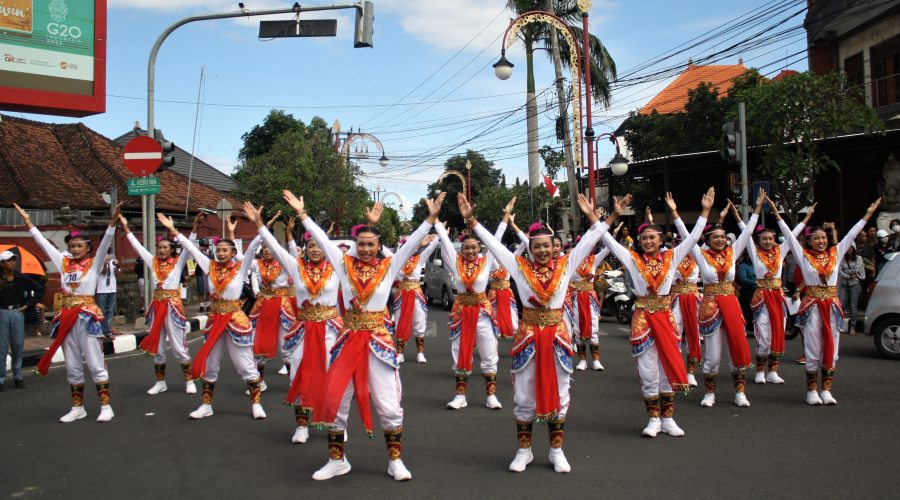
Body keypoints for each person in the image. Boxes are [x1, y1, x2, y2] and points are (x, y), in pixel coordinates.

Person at [284, 190, 444, 482]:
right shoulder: (343, 265)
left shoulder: (389, 266)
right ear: (354, 246)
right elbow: (320, 238)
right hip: (347, 340)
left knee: (388, 404)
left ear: (380, 247)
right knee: (334, 400)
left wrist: (431, 219)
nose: (366, 249)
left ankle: (395, 461)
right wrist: (302, 215)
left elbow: (409, 247)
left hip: (378, 343)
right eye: (361, 244)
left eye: (371, 245)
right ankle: (337, 460)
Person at [466, 192, 606, 474]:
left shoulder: (567, 264)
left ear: (554, 248)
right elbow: (493, 245)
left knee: (561, 392)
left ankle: (556, 451)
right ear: (529, 249)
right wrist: (471, 220)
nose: (542, 251)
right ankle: (524, 451)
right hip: (528, 338)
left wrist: (594, 217)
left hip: (557, 338)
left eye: (546, 246)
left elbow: (592, 239)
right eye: (537, 247)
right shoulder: (518, 267)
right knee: (524, 397)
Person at [605, 190, 712, 437]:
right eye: (644, 238)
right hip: (642, 319)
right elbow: (607, 241)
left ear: (660, 240)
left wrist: (704, 211)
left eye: (652, 238)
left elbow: (693, 237)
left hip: (665, 316)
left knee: (666, 369)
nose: (648, 242)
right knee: (648, 371)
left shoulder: (672, 257)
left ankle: (668, 418)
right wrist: (612, 215)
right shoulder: (632, 258)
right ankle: (653, 419)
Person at [251, 206, 350, 446]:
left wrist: (304, 216)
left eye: (319, 245)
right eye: (311, 246)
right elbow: (275, 248)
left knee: (332, 375)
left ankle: (336, 422)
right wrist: (259, 225)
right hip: (302, 330)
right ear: (304, 250)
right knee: (298, 374)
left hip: (329, 329)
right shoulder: (295, 267)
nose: (315, 249)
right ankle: (301, 426)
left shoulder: (338, 269)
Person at [15, 202, 122, 422]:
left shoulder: (94, 264)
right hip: (65, 317)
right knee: (72, 365)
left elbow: (105, 244)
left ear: (88, 249)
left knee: (94, 362)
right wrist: (28, 223)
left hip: (86, 317)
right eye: (71, 246)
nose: (74, 250)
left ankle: (105, 406)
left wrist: (112, 223)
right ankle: (78, 407)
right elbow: (44, 244)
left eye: (79, 246)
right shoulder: (63, 263)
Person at [773, 194, 881, 405]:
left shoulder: (836, 252)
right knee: (813, 347)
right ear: (808, 241)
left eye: (824, 237)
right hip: (812, 306)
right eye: (817, 238)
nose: (821, 241)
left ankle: (826, 390)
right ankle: (811, 391)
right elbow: (787, 233)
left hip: (832, 306)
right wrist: (776, 214)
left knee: (832, 348)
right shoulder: (803, 256)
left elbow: (853, 233)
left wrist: (869, 213)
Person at [162, 214, 267, 420]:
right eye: (217, 250)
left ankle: (256, 404)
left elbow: (255, 245)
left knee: (244, 363)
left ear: (234, 252)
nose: (220, 253)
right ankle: (206, 405)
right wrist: (174, 231)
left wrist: (259, 225)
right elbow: (190, 248)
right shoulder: (209, 266)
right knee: (210, 364)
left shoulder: (240, 267)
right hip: (214, 319)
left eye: (224, 250)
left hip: (235, 319)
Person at [436, 198, 516, 411]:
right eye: (466, 248)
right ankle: (460, 396)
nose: (470, 251)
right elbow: (444, 241)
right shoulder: (455, 262)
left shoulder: (487, 261)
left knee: (489, 354)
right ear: (461, 250)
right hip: (461, 312)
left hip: (482, 312)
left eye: (474, 248)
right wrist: (434, 219)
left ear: (480, 248)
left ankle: (491, 396)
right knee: (459, 351)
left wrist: (506, 217)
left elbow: (496, 240)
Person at [675, 199, 755, 408]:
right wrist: (676, 213)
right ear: (708, 240)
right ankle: (710, 393)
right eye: (715, 237)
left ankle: (740, 393)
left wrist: (745, 215)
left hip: (731, 305)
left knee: (736, 348)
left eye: (722, 237)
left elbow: (747, 234)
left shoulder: (732, 253)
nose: (720, 240)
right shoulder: (700, 255)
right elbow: (687, 236)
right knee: (712, 354)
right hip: (710, 308)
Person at [121, 212, 203, 396]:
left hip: (172, 308)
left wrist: (195, 227)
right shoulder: (152, 261)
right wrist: (126, 228)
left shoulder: (177, 262)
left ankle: (189, 380)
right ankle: (160, 382)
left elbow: (188, 247)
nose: (161, 250)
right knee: (158, 348)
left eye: (165, 247)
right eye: (159, 247)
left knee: (179, 346)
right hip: (156, 306)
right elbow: (137, 246)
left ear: (172, 250)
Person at [735, 193, 812, 385]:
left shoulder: (781, 250)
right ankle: (760, 370)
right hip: (761, 296)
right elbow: (745, 232)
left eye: (770, 239)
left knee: (778, 332)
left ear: (774, 240)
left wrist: (782, 214)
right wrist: (740, 215)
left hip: (777, 296)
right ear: (759, 241)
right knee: (764, 335)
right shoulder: (754, 252)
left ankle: (773, 371)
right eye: (764, 239)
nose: (767, 242)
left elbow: (792, 234)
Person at [246, 211, 295, 392]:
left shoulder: (284, 264)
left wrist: (289, 236)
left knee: (285, 345)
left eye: (270, 248)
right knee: (258, 343)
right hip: (262, 306)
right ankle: (260, 381)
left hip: (281, 305)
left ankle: (293, 382)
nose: (267, 250)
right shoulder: (256, 264)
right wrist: (261, 230)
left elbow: (293, 255)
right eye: (264, 247)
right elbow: (245, 255)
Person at [391, 232, 438, 364]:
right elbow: (382, 250)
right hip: (402, 295)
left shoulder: (419, 260)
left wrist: (440, 235)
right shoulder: (396, 260)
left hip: (416, 295)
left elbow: (430, 248)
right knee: (400, 322)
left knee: (419, 322)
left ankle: (420, 353)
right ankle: (399, 353)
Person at [0, 251, 44, 391]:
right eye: (9, 260)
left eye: (14, 260)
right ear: (2, 263)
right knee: (1, 348)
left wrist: (28, 305)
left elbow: (39, 290)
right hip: (1, 312)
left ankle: (18, 377)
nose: (12, 263)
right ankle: (1, 379)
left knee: (18, 346)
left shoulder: (21, 277)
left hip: (18, 312)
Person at [569, 231, 610, 372]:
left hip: (590, 299)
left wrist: (608, 233)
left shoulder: (594, 260)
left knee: (593, 327)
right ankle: (582, 360)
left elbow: (608, 248)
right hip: (575, 299)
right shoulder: (569, 261)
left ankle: (596, 360)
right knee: (578, 328)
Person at [489, 215, 529, 342]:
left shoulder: (509, 260)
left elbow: (520, 250)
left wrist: (525, 238)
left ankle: (515, 336)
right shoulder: (490, 262)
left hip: (506, 292)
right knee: (493, 316)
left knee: (512, 315)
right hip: (494, 293)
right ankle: (492, 336)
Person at [838, 245, 864, 336]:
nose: (848, 249)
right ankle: (840, 325)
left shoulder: (858, 258)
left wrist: (846, 271)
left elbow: (856, 270)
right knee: (841, 305)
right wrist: (848, 276)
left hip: (855, 284)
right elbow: (839, 271)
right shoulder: (843, 258)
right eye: (847, 247)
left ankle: (853, 327)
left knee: (853, 306)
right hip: (845, 284)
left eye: (850, 247)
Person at [96, 248, 121, 339]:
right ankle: (102, 331)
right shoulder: (98, 259)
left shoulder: (113, 260)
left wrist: (117, 265)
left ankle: (109, 331)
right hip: (102, 289)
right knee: (102, 311)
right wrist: (105, 263)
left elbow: (118, 274)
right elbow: (103, 272)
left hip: (112, 288)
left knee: (110, 311)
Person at [195, 238, 211, 313]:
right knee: (201, 290)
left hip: (208, 273)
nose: (204, 247)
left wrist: (208, 256)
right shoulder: (198, 253)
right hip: (200, 272)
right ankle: (201, 306)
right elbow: (194, 260)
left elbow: (213, 262)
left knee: (208, 290)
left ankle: (208, 305)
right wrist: (198, 251)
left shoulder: (210, 253)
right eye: (202, 246)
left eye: (205, 246)